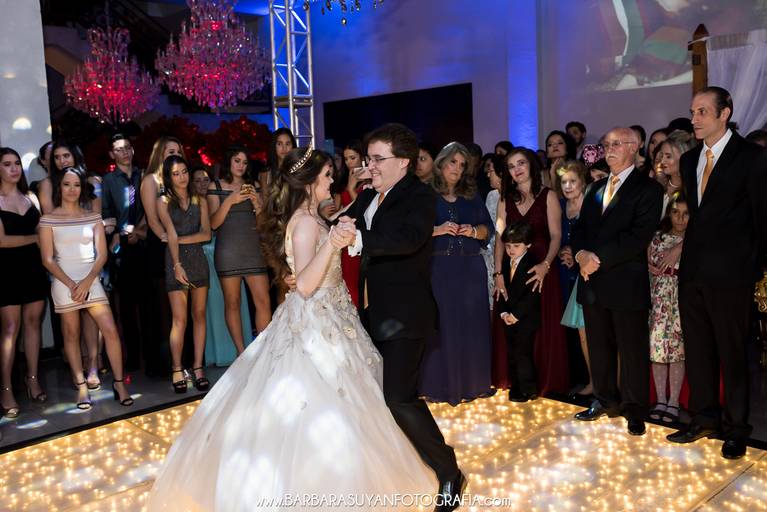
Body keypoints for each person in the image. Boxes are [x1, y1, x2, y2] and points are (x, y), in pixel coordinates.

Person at [146, 146, 437, 511]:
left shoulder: (314, 217)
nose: (331, 180)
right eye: (327, 175)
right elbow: (306, 285)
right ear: (311, 182)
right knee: (318, 403)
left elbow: (305, 267)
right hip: (316, 323)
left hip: (334, 318)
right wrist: (332, 244)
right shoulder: (305, 223)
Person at [340, 124, 465, 510]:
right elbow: (341, 226)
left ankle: (448, 470)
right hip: (370, 313)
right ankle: (392, 469)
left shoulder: (419, 196)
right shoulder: (367, 196)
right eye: (369, 159)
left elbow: (408, 239)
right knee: (374, 398)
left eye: (378, 159)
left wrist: (360, 239)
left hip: (407, 315)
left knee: (399, 397)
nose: (371, 166)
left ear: (404, 162)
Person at [667, 87, 767, 460]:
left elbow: (762, 218)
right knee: (698, 350)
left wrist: (752, 268)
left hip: (732, 276)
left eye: (702, 112)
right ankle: (704, 418)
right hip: (693, 273)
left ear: (725, 114)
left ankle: (737, 428)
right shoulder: (690, 159)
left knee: (733, 353)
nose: (694, 118)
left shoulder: (752, 157)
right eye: (693, 111)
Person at [571, 127, 663, 437]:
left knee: (632, 349)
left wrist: (596, 259)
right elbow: (580, 229)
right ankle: (604, 399)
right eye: (606, 144)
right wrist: (581, 254)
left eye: (617, 144)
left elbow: (638, 236)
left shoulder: (648, 189)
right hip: (592, 282)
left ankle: (634, 409)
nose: (609, 149)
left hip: (625, 282)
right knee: (599, 347)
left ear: (635, 147)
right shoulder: (594, 188)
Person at [38, 167, 133, 409]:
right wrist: (72, 284)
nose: (72, 189)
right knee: (71, 334)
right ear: (60, 188)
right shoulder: (48, 219)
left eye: (77, 185)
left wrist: (88, 280)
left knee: (110, 329)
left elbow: (102, 255)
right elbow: (47, 259)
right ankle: (81, 387)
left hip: (91, 279)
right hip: (64, 281)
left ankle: (119, 384)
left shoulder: (92, 217)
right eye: (67, 184)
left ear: (82, 188)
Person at [419, 142, 493, 406]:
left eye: (462, 165)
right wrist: (437, 229)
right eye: (453, 162)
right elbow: (412, 232)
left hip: (471, 269)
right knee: (443, 326)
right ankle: (442, 386)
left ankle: (473, 384)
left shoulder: (471, 195)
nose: (457, 169)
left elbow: (488, 229)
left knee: (472, 325)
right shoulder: (425, 194)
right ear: (441, 163)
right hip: (440, 269)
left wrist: (473, 231)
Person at [493, 147, 568, 396]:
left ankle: (544, 383)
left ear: (531, 165)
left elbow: (556, 235)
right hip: (512, 271)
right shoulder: (504, 199)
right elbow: (500, 239)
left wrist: (546, 264)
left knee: (542, 325)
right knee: (513, 329)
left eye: (521, 163)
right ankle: (516, 382)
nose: (517, 169)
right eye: (511, 166)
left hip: (542, 271)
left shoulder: (548, 195)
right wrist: (498, 274)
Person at [0, 147, 49, 417]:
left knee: (33, 324)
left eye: (16, 163)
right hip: (6, 270)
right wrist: (35, 239)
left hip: (33, 268)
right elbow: (2, 242)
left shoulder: (30, 197)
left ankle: (32, 379)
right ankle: (6, 388)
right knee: (10, 328)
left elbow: (43, 229)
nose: (14, 168)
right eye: (7, 164)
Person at [207, 146, 269, 354]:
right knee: (232, 303)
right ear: (229, 161)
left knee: (263, 301)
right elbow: (213, 224)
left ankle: (262, 351)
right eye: (237, 161)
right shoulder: (215, 186)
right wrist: (230, 201)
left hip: (253, 250)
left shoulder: (255, 186)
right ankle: (241, 353)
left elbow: (263, 225)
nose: (241, 166)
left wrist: (258, 204)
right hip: (228, 251)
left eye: (244, 162)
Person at [157, 156, 211, 393]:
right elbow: (169, 232)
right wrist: (177, 264)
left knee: (199, 315)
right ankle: (177, 368)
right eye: (176, 173)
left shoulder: (200, 200)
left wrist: (178, 240)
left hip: (198, 261)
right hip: (175, 262)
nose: (182, 177)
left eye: (184, 171)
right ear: (168, 177)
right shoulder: (164, 201)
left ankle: (198, 367)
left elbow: (206, 234)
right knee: (179, 320)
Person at [101, 133, 149, 371]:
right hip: (121, 245)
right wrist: (117, 235)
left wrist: (140, 231)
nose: (125, 152)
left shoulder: (145, 175)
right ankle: (132, 357)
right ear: (112, 154)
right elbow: (106, 212)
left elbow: (151, 209)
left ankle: (152, 356)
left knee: (149, 302)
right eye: (119, 149)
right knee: (127, 306)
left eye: (128, 147)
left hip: (146, 242)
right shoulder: (108, 180)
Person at [648, 193, 688, 424]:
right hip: (659, 299)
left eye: (686, 214)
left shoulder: (693, 239)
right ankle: (661, 399)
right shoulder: (658, 237)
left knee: (677, 351)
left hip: (681, 300)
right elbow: (649, 261)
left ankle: (673, 401)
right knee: (658, 350)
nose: (680, 218)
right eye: (675, 212)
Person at [498, 221, 541, 402]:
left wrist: (515, 315)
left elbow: (532, 295)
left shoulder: (533, 264)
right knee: (512, 354)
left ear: (528, 245)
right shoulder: (505, 263)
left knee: (523, 353)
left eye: (516, 246)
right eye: (508, 246)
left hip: (525, 318)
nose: (511, 250)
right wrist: (503, 313)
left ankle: (528, 389)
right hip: (508, 317)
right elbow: (502, 290)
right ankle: (516, 387)